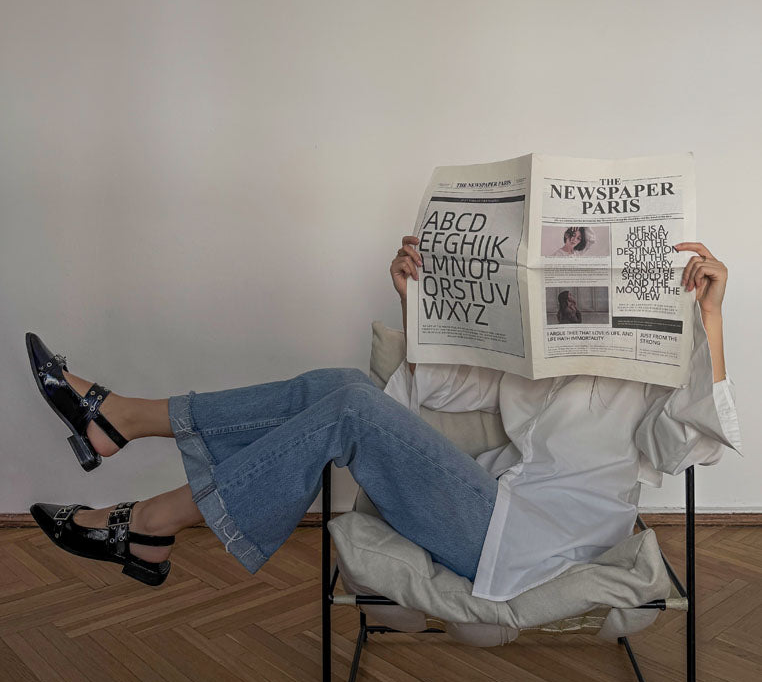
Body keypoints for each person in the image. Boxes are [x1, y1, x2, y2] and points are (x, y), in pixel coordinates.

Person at [26, 240, 741, 602]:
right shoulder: (545, 348)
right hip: (482, 501)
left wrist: (708, 315)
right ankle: (124, 434)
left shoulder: (663, 364)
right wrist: (416, 298)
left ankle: (146, 503)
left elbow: (686, 444)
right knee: (342, 386)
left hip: (528, 543)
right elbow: (444, 390)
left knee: (347, 405)